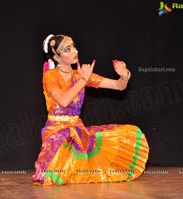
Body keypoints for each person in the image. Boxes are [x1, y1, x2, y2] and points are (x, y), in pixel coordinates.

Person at [32, 34, 149, 186]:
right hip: (56, 132)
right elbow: (63, 101)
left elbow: (119, 86)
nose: (75, 51)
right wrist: (83, 80)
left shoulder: (80, 74)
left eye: (74, 46)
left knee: (128, 133)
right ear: (57, 57)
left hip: (78, 130)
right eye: (68, 49)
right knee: (50, 176)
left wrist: (124, 75)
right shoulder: (50, 76)